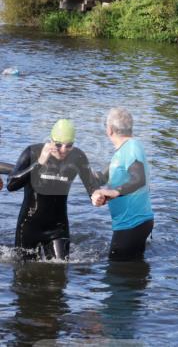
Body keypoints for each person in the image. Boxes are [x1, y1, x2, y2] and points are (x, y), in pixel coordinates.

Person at [7, 119, 98, 260]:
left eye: (69, 146)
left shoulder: (78, 157)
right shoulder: (33, 152)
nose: (63, 150)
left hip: (58, 227)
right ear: (51, 140)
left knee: (59, 275)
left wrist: (96, 195)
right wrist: (39, 163)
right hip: (29, 226)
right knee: (24, 277)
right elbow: (11, 184)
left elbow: (91, 186)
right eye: (58, 145)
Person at [92, 108, 154, 261]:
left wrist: (114, 192)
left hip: (132, 224)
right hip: (132, 224)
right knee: (133, 271)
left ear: (109, 130)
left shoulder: (132, 148)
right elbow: (100, 179)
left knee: (117, 276)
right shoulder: (121, 152)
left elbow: (139, 179)